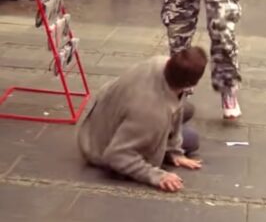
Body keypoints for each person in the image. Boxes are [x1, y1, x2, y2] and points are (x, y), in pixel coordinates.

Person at [77, 47, 206, 192]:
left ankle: (163, 142)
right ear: (192, 84)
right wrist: (156, 175)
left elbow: (178, 103)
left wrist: (174, 150)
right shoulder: (151, 114)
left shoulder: (159, 62)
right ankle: (154, 140)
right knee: (192, 139)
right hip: (99, 146)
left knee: (188, 109)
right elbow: (115, 155)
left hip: (104, 113)